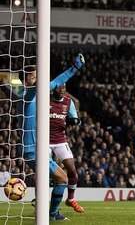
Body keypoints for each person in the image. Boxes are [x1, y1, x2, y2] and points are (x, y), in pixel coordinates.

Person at [17, 54, 85, 220]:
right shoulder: (26, 95)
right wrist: (74, 68)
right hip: (33, 149)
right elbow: (53, 83)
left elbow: (55, 83)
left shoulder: (34, 94)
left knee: (50, 178)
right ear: (25, 81)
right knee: (62, 179)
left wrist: (73, 69)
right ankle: (52, 214)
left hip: (34, 148)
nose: (38, 79)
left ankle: (40, 210)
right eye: (33, 77)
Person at [49, 84, 84, 213]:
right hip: (44, 141)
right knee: (44, 171)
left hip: (60, 141)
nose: (62, 90)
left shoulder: (69, 102)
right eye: (59, 88)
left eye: (64, 88)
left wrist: (75, 121)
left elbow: (76, 119)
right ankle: (39, 198)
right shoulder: (45, 100)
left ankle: (71, 199)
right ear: (53, 89)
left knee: (72, 170)